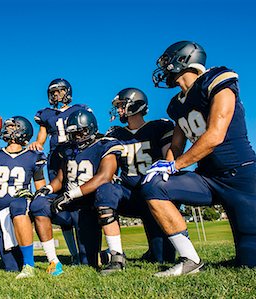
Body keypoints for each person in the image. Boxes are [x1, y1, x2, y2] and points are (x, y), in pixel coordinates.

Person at [141, 40, 256, 276]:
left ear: (183, 60)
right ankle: (190, 260)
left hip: (240, 176)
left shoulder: (218, 80)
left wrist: (174, 165)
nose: (163, 69)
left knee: (253, 261)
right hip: (208, 179)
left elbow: (215, 136)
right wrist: (164, 169)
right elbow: (177, 144)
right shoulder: (176, 104)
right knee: (154, 185)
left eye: (166, 61)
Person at [30, 109, 125, 269]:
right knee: (38, 204)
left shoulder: (104, 145)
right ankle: (54, 262)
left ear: (92, 128)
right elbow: (60, 179)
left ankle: (111, 254)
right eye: (74, 133)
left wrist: (70, 195)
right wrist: (46, 189)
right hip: (70, 205)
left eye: (82, 132)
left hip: (90, 205)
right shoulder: (68, 150)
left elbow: (104, 177)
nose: (78, 137)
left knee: (88, 262)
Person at [96, 87, 176, 274]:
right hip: (127, 193)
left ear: (135, 105)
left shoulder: (159, 127)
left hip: (154, 192)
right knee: (105, 192)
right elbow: (109, 167)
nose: (119, 111)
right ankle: (115, 255)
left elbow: (169, 158)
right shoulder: (115, 133)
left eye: (122, 106)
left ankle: (156, 251)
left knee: (163, 257)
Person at [0, 116, 54, 278]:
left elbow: (41, 190)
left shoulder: (33, 156)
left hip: (22, 210)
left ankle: (32, 265)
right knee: (11, 266)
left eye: (12, 127)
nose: (7, 129)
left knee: (18, 205)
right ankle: (23, 262)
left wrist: (32, 198)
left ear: (23, 131)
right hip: (1, 214)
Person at [29, 78, 91, 264]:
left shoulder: (79, 109)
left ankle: (86, 251)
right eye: (53, 92)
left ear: (67, 91)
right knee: (60, 203)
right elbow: (42, 135)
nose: (56, 94)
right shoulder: (47, 114)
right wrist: (38, 144)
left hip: (76, 157)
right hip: (56, 160)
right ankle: (73, 253)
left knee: (79, 201)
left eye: (59, 91)